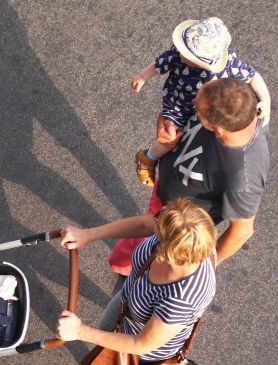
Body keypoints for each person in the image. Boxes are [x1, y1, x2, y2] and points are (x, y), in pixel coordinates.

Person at [55, 197, 217, 365]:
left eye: (158, 229)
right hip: (128, 303)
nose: (154, 224)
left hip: (144, 344)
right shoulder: (184, 231)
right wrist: (87, 234)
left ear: (167, 253)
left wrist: (80, 331)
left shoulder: (182, 299)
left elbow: (141, 344)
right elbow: (143, 224)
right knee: (103, 337)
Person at [109, 76, 269, 276]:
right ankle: (131, 268)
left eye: (199, 111)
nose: (193, 102)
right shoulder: (230, 105)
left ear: (217, 130)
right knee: (141, 240)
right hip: (166, 190)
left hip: (178, 221)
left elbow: (241, 231)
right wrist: (164, 124)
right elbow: (177, 111)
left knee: (144, 248)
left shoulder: (244, 178)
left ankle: (131, 273)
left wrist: (203, 270)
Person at [130, 17, 271, 187]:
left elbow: (253, 76)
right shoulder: (179, 54)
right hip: (178, 104)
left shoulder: (229, 65)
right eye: (183, 51)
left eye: (189, 57)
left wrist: (265, 99)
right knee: (171, 138)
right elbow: (159, 63)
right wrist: (143, 76)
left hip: (204, 109)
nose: (182, 56)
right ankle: (148, 158)